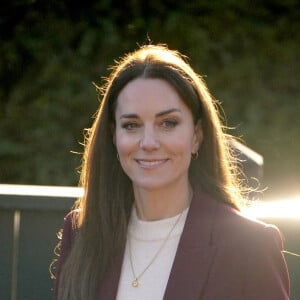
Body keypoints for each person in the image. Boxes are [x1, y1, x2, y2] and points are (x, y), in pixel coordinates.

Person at [52, 44, 290, 300]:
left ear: (197, 136)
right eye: (132, 125)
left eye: (168, 123)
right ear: (113, 136)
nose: (149, 142)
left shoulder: (250, 246)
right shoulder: (82, 232)